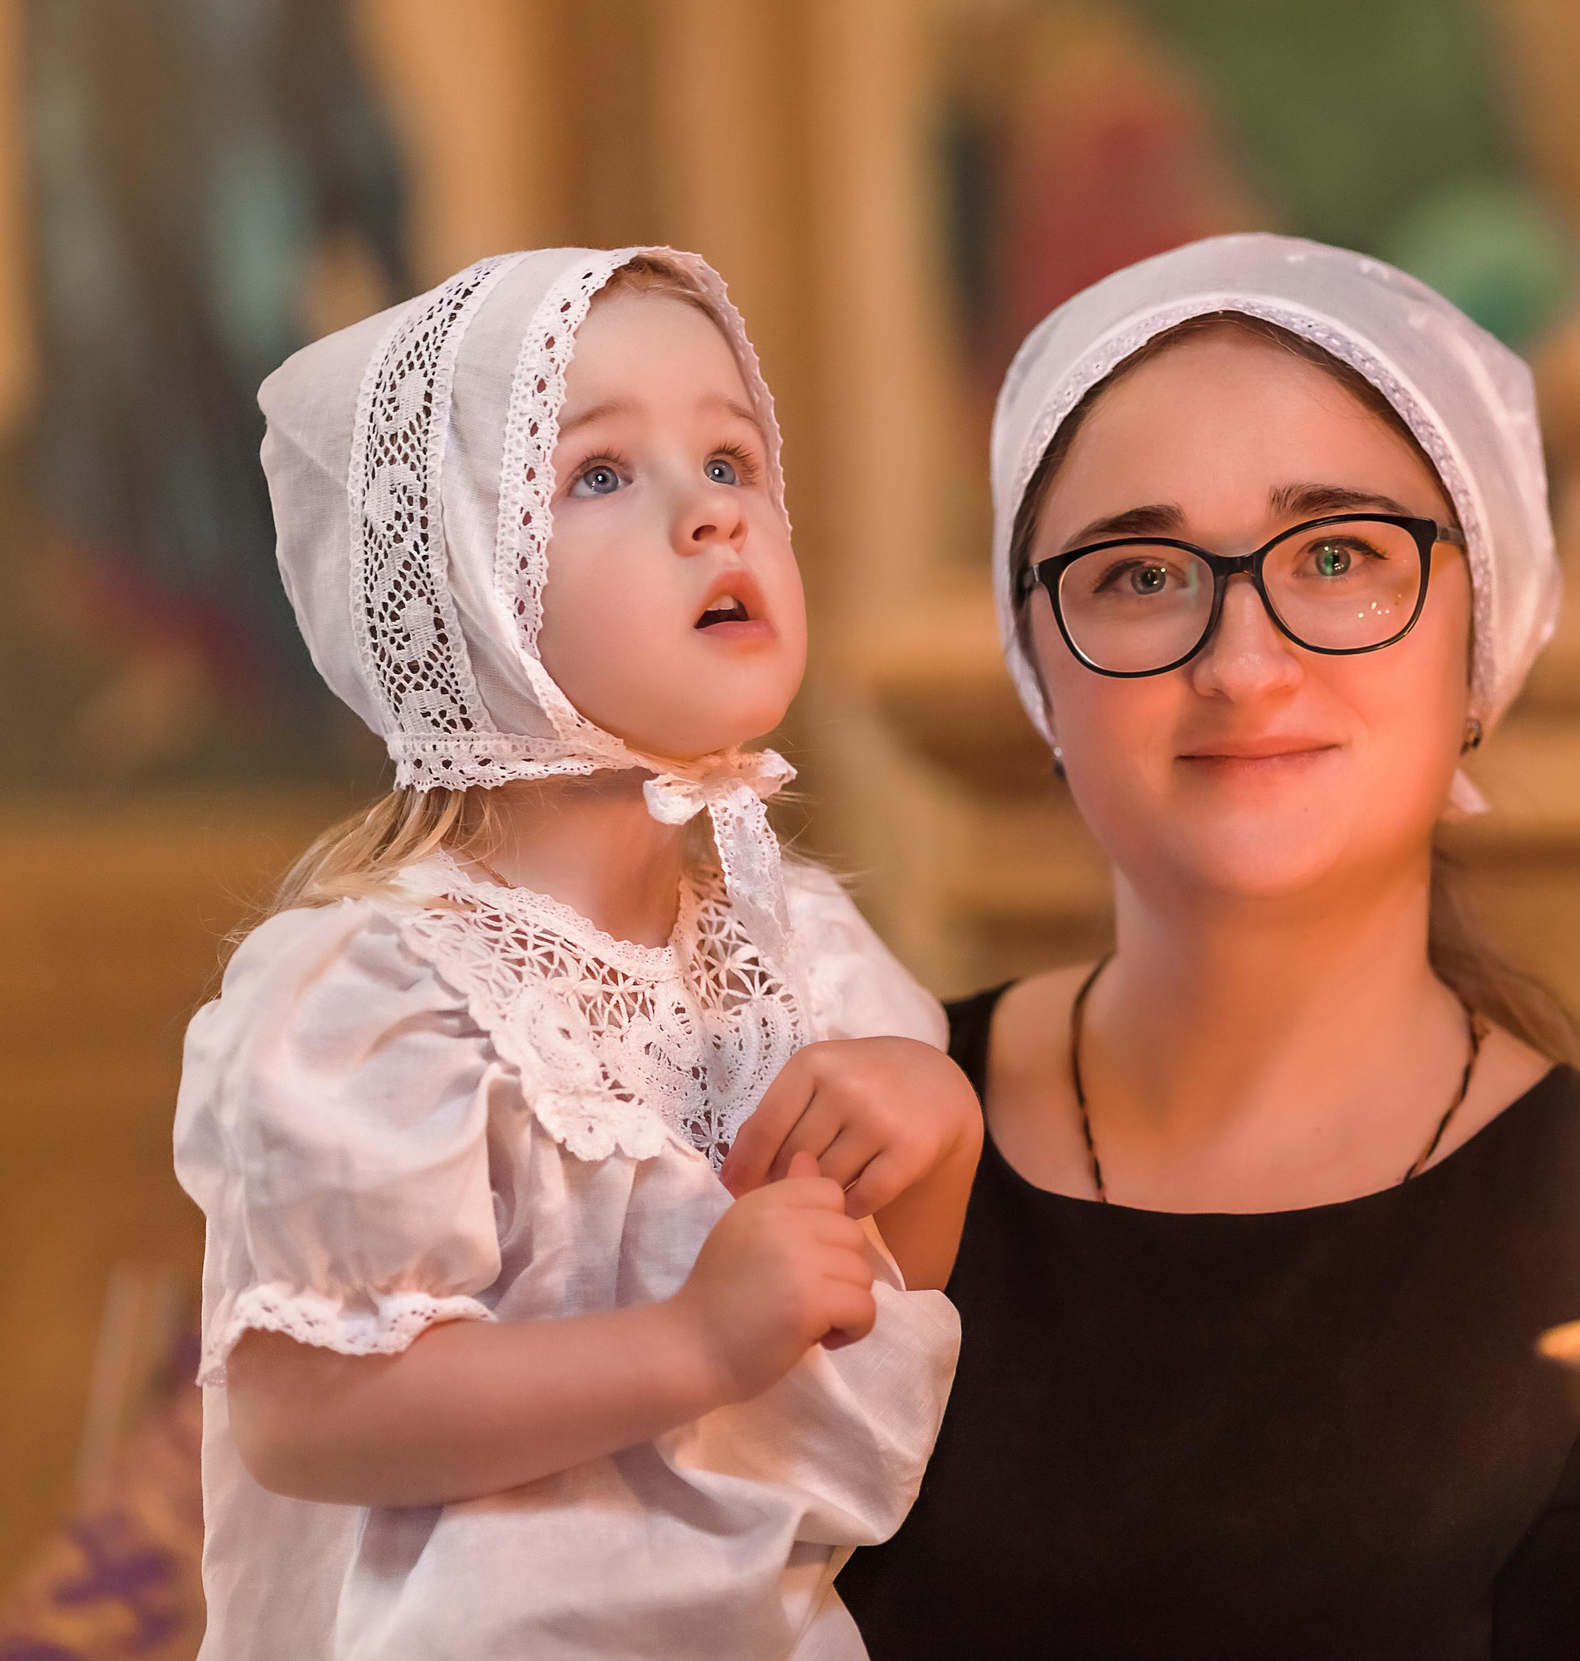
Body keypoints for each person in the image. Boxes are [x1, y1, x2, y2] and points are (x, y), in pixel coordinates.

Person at [839, 234, 1580, 1657]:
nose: (1242, 662)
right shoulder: (850, 1150)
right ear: (1041, 678)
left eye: (1337, 558)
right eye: (1139, 574)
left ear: (1479, 644)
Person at [175, 247, 982, 1660]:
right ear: (457, 591)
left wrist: (937, 1142)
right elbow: (307, 1419)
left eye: (733, 457)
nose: (711, 514)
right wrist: (688, 1348)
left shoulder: (806, 956)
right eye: (598, 473)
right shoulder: (377, 992)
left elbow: (853, 1352)